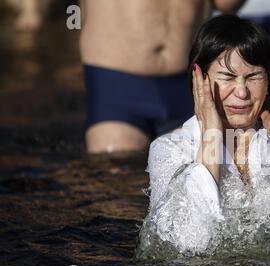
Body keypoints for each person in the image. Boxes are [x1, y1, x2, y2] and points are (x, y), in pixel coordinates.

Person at [137, 15, 270, 257]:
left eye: (253, 77)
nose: (242, 92)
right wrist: (211, 135)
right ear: (199, 79)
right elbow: (189, 242)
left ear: (269, 83)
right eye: (228, 77)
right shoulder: (170, 148)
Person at [80, 0, 246, 153]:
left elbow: (226, 4)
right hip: (118, 80)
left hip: (190, 81)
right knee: (115, 171)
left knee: (202, 175)